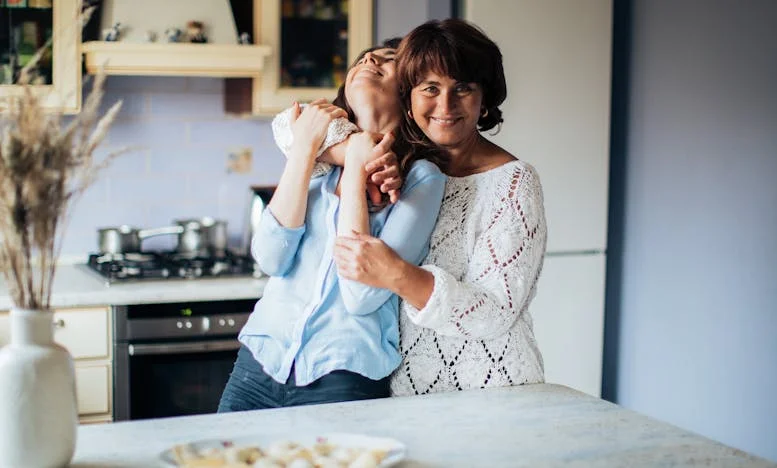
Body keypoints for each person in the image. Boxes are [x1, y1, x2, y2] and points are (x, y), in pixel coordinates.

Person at [217, 40, 447, 411]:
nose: (370, 59)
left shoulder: (421, 179)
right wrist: (306, 150)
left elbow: (362, 296)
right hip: (258, 365)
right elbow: (271, 258)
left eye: (388, 62)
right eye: (365, 58)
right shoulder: (321, 162)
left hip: (344, 377)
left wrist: (357, 164)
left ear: (408, 95)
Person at [330, 19, 548, 396]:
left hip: (495, 390)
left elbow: (496, 311)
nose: (445, 105)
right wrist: (344, 152)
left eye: (462, 88)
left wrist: (397, 273)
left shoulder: (514, 182)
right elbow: (291, 128)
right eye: (430, 87)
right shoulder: (398, 164)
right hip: (404, 392)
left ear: (484, 100)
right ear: (408, 98)